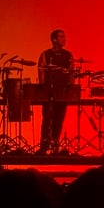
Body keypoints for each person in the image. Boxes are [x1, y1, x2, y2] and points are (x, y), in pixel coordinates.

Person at [37, 29, 75, 157]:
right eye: (61, 37)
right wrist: (43, 87)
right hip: (49, 91)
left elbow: (71, 72)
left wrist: (70, 86)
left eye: (64, 37)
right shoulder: (45, 54)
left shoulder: (68, 55)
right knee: (47, 118)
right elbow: (41, 70)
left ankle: (55, 146)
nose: (64, 39)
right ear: (54, 39)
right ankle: (44, 146)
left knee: (59, 119)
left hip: (62, 91)